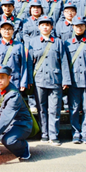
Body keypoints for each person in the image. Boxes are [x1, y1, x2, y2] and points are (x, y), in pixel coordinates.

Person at [29, 15, 71, 145]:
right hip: (39, 80)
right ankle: (44, 134)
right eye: (42, 25)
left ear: (52, 27)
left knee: (54, 109)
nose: (45, 27)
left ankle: (54, 135)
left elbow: (64, 61)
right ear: (39, 27)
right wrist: (30, 80)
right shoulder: (33, 42)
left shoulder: (58, 42)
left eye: (47, 25)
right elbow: (29, 63)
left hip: (55, 80)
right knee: (41, 109)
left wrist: (66, 80)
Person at [0, 65, 34, 160]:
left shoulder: (14, 95)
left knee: (8, 140)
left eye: (2, 77)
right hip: (4, 119)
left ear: (9, 78)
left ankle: (23, 149)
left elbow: (5, 118)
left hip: (20, 124)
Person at [65, 15, 86, 145]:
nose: (79, 28)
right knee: (74, 108)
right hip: (73, 80)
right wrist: (66, 80)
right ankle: (75, 133)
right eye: (76, 26)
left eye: (81, 25)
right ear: (73, 27)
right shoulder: (67, 43)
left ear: (85, 27)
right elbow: (65, 63)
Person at [0, 21, 32, 93]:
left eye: (9, 29)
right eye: (4, 29)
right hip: (0, 82)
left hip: (15, 81)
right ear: (0, 31)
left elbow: (23, 65)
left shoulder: (19, 45)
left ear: (13, 31)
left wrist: (23, 82)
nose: (7, 31)